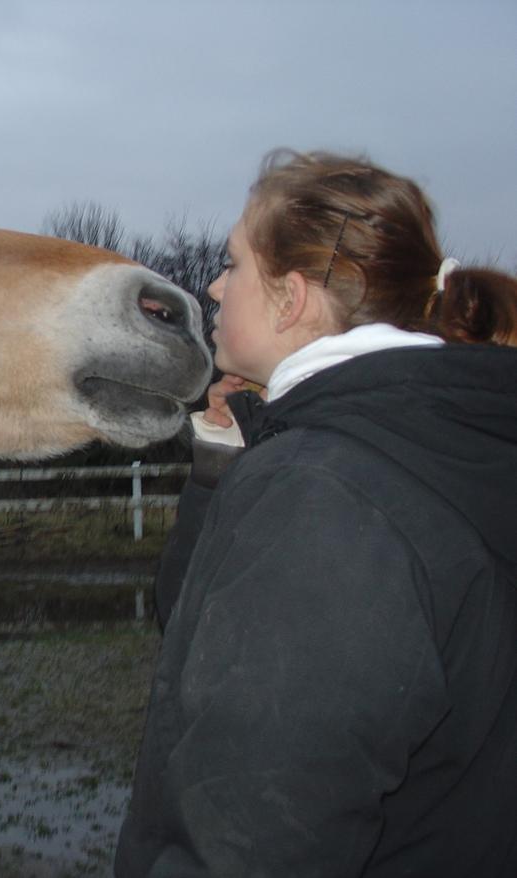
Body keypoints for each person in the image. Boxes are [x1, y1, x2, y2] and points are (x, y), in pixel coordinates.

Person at [114, 149, 517, 877]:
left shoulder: (326, 496)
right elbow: (198, 629)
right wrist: (220, 457)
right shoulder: (432, 443)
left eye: (233, 264)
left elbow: (256, 834)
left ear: (290, 299)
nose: (212, 284)